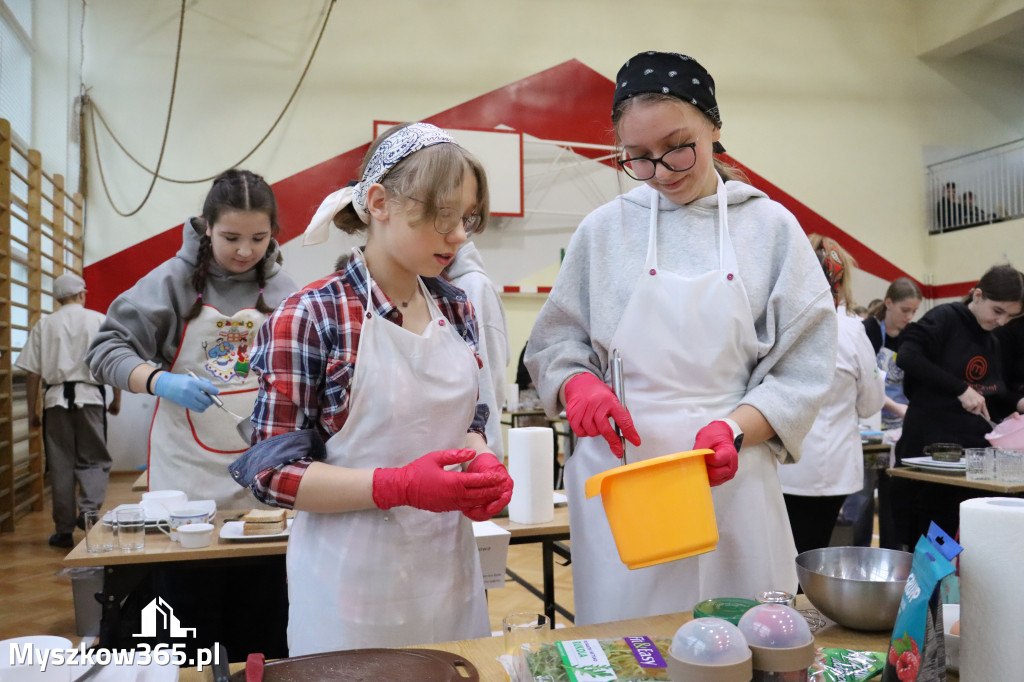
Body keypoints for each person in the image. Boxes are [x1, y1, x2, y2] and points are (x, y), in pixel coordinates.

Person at [525, 51, 837, 625]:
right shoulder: (605, 230)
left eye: (677, 146)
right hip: (626, 482)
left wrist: (736, 429)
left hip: (729, 473)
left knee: (742, 635)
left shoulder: (768, 229)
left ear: (714, 127)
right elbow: (554, 343)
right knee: (630, 644)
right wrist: (577, 386)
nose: (662, 171)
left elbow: (803, 368)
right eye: (638, 158)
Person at [228, 122, 514, 654]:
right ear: (380, 203)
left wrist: (479, 459)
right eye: (442, 215)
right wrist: (397, 486)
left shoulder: (455, 307)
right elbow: (270, 474)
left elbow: (466, 420)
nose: (459, 235)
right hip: (349, 594)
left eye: (467, 218)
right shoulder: (313, 316)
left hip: (448, 581)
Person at [87, 169, 298, 509]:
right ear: (207, 226)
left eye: (258, 238)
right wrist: (160, 381)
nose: (245, 251)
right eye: (231, 238)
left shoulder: (284, 288)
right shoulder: (171, 281)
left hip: (264, 466)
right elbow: (105, 352)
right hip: (185, 470)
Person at [889, 264, 1024, 548]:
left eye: (1010, 316)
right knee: (932, 549)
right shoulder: (945, 318)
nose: (1002, 321)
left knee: (963, 549)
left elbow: (990, 393)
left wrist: (1012, 409)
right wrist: (960, 389)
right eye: (998, 311)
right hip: (931, 457)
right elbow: (908, 356)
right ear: (978, 295)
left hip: (968, 465)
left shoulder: (992, 339)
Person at [778, 236, 885, 554]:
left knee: (780, 553)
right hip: (828, 468)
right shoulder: (851, 331)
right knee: (813, 552)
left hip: (778, 463)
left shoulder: (777, 323)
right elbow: (871, 404)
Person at [15, 273, 121, 548]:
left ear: (57, 298)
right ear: (82, 294)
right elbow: (111, 363)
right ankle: (88, 511)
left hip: (55, 401)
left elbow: (33, 374)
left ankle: (63, 531)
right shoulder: (98, 320)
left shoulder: (44, 324)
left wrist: (32, 410)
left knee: (60, 464)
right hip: (90, 398)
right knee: (94, 459)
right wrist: (116, 398)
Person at [444, 240, 511, 461]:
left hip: (473, 455)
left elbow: (488, 382)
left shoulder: (474, 287)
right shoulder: (426, 286)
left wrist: (486, 455)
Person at [862, 278, 923, 431]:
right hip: (871, 419)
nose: (910, 317)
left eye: (914, 311)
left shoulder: (911, 334)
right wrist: (895, 407)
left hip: (901, 419)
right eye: (905, 310)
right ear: (888, 303)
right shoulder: (869, 330)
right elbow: (865, 381)